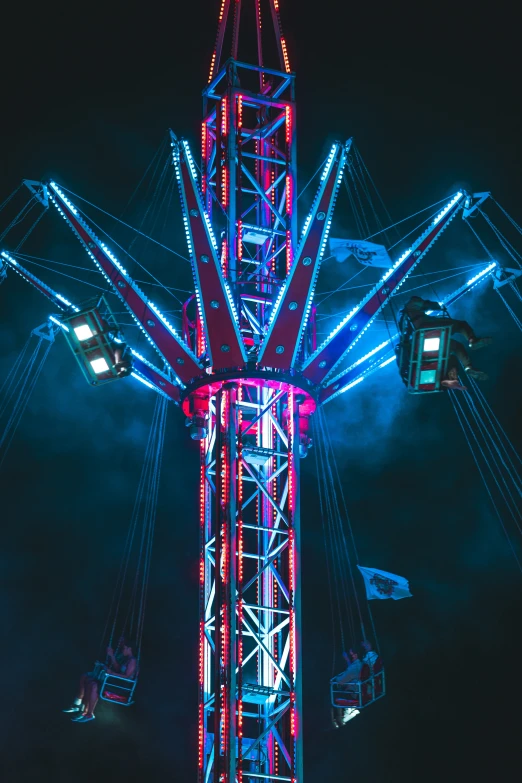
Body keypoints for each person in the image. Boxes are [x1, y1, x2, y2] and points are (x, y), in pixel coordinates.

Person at [403, 296, 492, 381]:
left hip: (422, 342)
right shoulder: (412, 302)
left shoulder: (403, 320)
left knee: (457, 346)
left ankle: (469, 368)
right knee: (461, 325)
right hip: (429, 327)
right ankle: (473, 341)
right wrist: (435, 306)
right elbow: (428, 305)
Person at [63, 640, 137, 723]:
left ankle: (90, 714)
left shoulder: (132, 661)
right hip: (117, 683)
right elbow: (118, 669)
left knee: (94, 686)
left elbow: (127, 677)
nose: (123, 649)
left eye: (124, 648)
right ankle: (84, 710)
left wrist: (112, 673)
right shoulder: (127, 659)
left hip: (121, 687)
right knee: (90, 682)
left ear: (129, 649)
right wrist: (106, 667)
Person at [331, 649, 362, 729]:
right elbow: (349, 671)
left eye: (351, 655)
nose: (350, 656)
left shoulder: (355, 667)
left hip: (353, 693)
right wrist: (347, 660)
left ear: (355, 655)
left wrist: (336, 680)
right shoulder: (357, 664)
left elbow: (342, 680)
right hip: (354, 690)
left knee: (332, 696)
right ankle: (339, 718)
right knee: (338, 692)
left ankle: (337, 720)